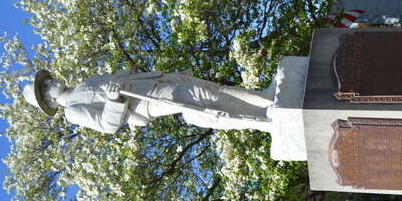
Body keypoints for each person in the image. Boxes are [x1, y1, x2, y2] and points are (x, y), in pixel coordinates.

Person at [21, 69, 276, 134]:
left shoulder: (85, 81)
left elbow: (121, 78)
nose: (51, 83)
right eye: (45, 88)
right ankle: (263, 120)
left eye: (47, 81)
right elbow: (107, 125)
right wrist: (113, 99)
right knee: (201, 100)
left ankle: (265, 99)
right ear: (49, 102)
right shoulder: (72, 111)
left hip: (151, 82)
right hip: (142, 103)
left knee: (209, 89)